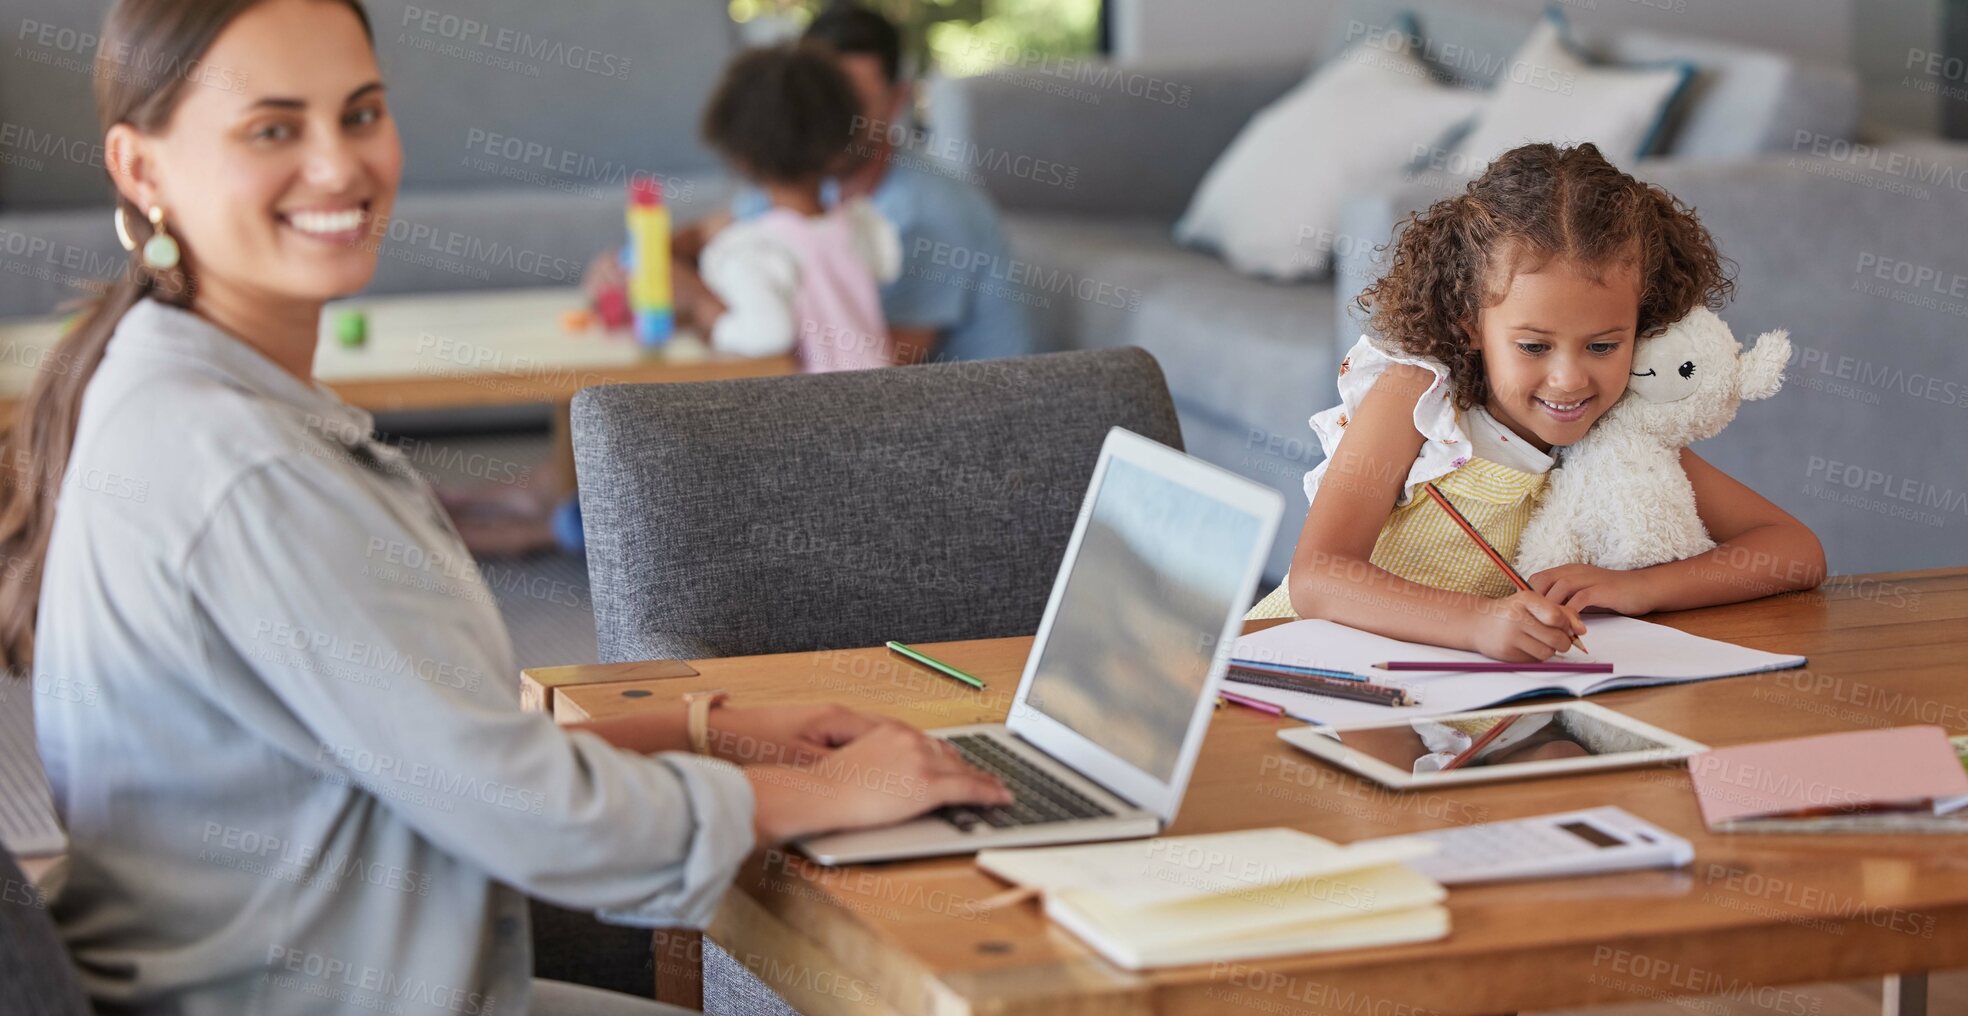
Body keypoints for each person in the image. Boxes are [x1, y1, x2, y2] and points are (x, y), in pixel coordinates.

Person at [4, 2, 1009, 1013]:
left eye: (359, 114)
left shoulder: (165, 381)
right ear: (141, 170)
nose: (339, 166)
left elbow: (433, 743)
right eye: (273, 128)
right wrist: (835, 793)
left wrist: (710, 724)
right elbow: (526, 809)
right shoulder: (248, 468)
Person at [1246, 143, 1824, 661]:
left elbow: (1795, 552)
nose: (1569, 380)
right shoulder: (1419, 397)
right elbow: (1319, 577)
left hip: (1453, 700)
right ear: (1468, 322)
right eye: (1533, 346)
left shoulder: (1618, 434)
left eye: (1603, 345)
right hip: (1298, 672)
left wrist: (1639, 588)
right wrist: (1476, 623)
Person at [693, 43, 901, 371]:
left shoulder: (753, 247)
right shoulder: (863, 224)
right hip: (885, 402)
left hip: (820, 417)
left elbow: (769, 333)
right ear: (841, 141)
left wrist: (703, 310)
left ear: (741, 156)